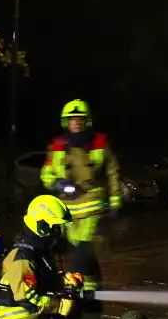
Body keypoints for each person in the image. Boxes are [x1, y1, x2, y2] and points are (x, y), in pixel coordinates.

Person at [39, 100, 120, 307]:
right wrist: (57, 182)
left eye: (80, 119)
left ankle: (76, 297)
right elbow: (46, 174)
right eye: (72, 119)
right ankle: (93, 292)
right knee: (81, 255)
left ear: (87, 121)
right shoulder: (57, 146)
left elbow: (112, 172)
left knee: (82, 253)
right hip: (67, 210)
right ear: (66, 122)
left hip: (93, 207)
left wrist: (115, 200)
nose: (76, 123)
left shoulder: (100, 142)